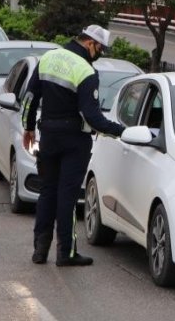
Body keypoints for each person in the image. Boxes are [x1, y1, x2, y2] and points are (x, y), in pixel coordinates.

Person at [22, 24, 126, 267]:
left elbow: (30, 97)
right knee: (67, 196)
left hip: (47, 134)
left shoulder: (48, 58)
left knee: (47, 191)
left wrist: (28, 128)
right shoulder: (86, 71)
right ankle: (65, 253)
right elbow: (91, 116)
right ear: (90, 43)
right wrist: (121, 131)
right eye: (100, 49)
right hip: (74, 140)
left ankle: (40, 250)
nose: (99, 54)